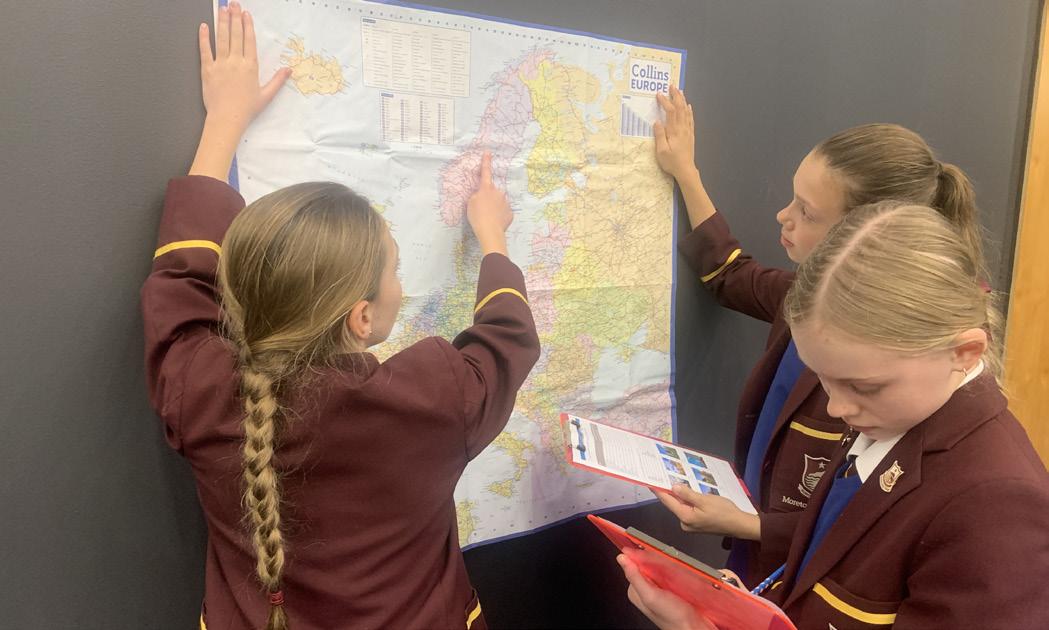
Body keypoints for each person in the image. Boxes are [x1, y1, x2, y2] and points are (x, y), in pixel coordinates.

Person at [141, 4, 539, 629]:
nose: (400, 283)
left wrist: (223, 122)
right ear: (361, 318)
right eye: (394, 269)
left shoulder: (200, 390)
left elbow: (180, 279)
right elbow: (507, 338)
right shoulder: (434, 398)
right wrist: (493, 238)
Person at [619, 202, 1049, 629]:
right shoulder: (892, 417)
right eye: (823, 379)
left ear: (964, 352)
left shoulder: (996, 505)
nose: (836, 408)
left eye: (864, 386)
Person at [652, 86, 985, 583]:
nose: (783, 216)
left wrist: (750, 525)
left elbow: (872, 517)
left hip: (812, 570)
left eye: (807, 212)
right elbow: (731, 275)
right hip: (761, 557)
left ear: (867, 236)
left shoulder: (919, 365)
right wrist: (686, 172)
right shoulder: (806, 297)